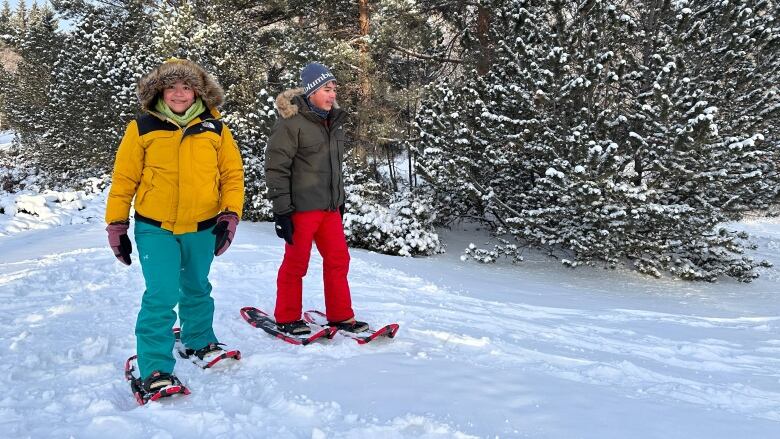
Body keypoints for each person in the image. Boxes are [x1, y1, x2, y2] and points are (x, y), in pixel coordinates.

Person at [105, 58, 244, 393]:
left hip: (203, 225)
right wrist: (117, 224)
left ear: (198, 91)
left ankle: (198, 339)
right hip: (156, 227)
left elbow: (232, 175)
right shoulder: (142, 128)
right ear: (159, 92)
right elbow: (124, 179)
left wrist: (230, 214)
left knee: (197, 285)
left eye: (186, 86)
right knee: (161, 293)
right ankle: (154, 366)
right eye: (172, 87)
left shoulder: (215, 128)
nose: (179, 94)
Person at [265, 62, 368, 336]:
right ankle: (287, 317)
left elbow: (334, 166)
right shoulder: (292, 123)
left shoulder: (332, 122)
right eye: (326, 89)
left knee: (338, 260)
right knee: (296, 263)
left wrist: (340, 198)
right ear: (311, 92)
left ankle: (341, 316)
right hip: (300, 209)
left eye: (334, 89)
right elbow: (276, 167)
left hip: (330, 208)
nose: (332, 94)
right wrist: (281, 211)